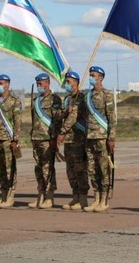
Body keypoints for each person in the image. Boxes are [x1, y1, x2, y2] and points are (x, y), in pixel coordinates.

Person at [82, 66, 116, 213]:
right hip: (89, 136)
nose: (91, 77)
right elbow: (84, 116)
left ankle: (104, 199)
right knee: (91, 168)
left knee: (103, 169)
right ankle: (95, 198)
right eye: (90, 74)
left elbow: (112, 118)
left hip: (102, 137)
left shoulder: (106, 94)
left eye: (93, 75)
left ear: (100, 78)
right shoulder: (87, 96)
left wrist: (111, 138)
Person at [56, 70, 89, 211]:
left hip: (79, 138)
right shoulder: (67, 99)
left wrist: (62, 132)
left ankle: (83, 198)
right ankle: (75, 196)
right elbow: (60, 116)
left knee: (80, 169)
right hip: (69, 141)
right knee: (70, 170)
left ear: (76, 82)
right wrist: (64, 112)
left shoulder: (82, 98)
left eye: (68, 81)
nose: (66, 84)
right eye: (66, 82)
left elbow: (73, 117)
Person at [0, 74, 22, 209]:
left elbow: (17, 122)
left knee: (9, 169)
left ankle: (10, 196)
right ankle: (2, 195)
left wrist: (15, 139)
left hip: (8, 140)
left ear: (7, 84)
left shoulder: (14, 101)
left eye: (1, 83)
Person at [29, 73, 62, 209]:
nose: (39, 86)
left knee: (48, 168)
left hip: (48, 139)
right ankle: (40, 195)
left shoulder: (54, 99)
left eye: (41, 83)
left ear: (48, 83)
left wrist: (55, 138)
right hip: (36, 138)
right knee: (38, 168)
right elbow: (33, 120)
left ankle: (49, 197)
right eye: (37, 84)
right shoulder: (35, 101)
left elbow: (57, 120)